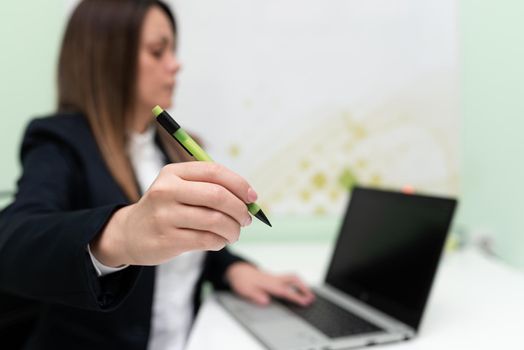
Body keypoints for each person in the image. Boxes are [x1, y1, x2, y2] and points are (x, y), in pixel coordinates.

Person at [0, 1, 314, 349]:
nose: (175, 65)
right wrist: (123, 233)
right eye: (157, 51)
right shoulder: (60, 140)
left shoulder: (174, 148)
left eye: (173, 51)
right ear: (108, 59)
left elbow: (183, 254)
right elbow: (12, 240)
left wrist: (232, 268)